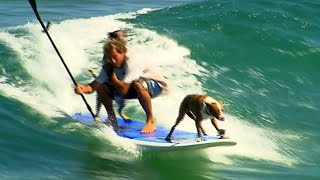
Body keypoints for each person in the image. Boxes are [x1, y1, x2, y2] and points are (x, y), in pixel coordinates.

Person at [75, 39, 168, 133]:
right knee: (101, 87)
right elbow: (93, 86)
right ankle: (112, 119)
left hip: (156, 87)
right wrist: (82, 88)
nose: (113, 60)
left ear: (123, 52)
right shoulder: (109, 64)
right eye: (109, 58)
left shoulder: (133, 62)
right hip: (129, 89)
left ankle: (150, 120)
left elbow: (123, 90)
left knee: (137, 84)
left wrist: (111, 75)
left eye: (115, 56)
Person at [93, 30, 129, 120]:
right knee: (100, 93)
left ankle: (120, 112)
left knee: (123, 100)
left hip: (120, 79)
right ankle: (97, 113)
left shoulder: (124, 51)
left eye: (124, 38)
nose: (124, 40)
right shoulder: (108, 53)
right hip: (109, 78)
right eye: (121, 38)